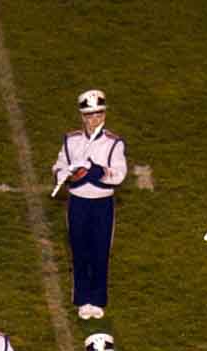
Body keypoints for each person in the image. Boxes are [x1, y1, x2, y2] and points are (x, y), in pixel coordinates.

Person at [49, 90, 126, 320]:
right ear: (82, 116)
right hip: (78, 203)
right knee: (79, 251)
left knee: (100, 252)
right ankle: (82, 299)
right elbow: (58, 166)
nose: (94, 120)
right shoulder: (72, 140)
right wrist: (69, 174)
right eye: (89, 115)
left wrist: (95, 171)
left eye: (98, 114)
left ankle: (98, 299)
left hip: (102, 204)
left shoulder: (114, 143)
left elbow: (119, 175)